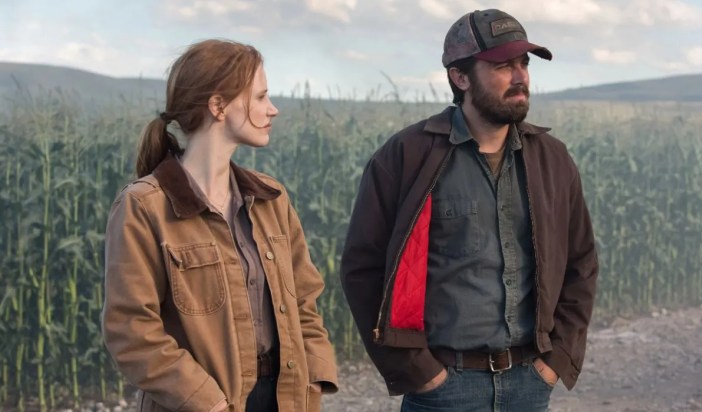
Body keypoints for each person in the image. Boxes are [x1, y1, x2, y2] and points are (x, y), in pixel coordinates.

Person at [340, 9, 598, 411]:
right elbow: (363, 268)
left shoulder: (552, 159)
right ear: (460, 77)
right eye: (502, 65)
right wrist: (420, 371)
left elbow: (581, 263)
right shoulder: (407, 157)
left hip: (529, 383)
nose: (520, 77)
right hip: (444, 389)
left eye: (524, 64)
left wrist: (556, 359)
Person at [102, 39, 338, 412]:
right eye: (260, 97)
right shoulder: (144, 207)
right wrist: (207, 402)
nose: (272, 109)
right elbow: (132, 331)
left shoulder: (271, 199)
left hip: (286, 399)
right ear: (218, 105)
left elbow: (304, 300)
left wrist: (314, 377)